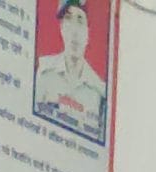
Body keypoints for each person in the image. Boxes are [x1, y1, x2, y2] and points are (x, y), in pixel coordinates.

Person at [34, 0, 108, 142]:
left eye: (80, 20)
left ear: (88, 32)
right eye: (68, 19)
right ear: (61, 28)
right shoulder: (44, 71)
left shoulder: (98, 91)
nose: (74, 31)